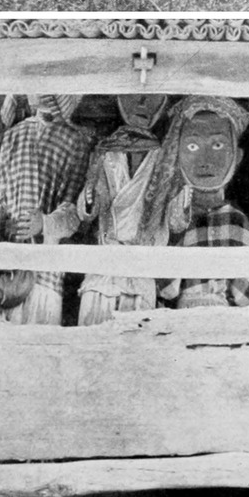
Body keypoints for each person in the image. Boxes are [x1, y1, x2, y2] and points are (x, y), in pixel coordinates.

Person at [0, 94, 92, 325]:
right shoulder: (14, 135)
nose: (45, 95)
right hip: (8, 265)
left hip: (44, 268)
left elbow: (73, 212)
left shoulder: (77, 142)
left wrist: (43, 223)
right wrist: (2, 221)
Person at [76, 94, 170, 324]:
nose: (142, 104)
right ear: (119, 100)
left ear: (162, 105)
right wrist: (89, 200)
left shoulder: (163, 157)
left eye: (151, 98)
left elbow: (171, 217)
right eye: (133, 97)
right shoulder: (107, 151)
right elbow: (90, 206)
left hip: (140, 267)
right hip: (105, 265)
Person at [157, 95, 249, 309]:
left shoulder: (237, 220)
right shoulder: (175, 218)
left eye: (218, 145)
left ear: (237, 156)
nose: (205, 160)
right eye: (192, 146)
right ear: (176, 154)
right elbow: (166, 289)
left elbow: (244, 295)